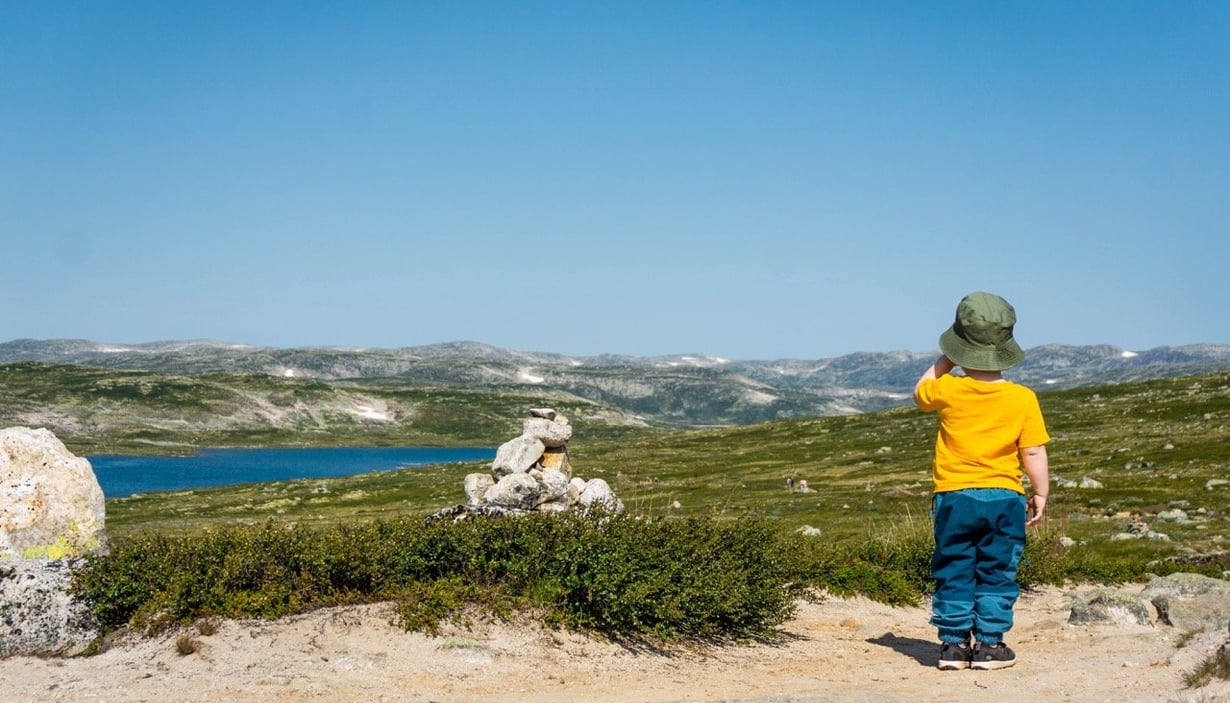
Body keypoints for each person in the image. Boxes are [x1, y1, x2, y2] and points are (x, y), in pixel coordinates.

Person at [913, 291, 1050, 671]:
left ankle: (953, 646)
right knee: (997, 568)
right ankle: (990, 645)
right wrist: (1040, 492)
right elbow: (1034, 452)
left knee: (954, 563)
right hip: (1005, 497)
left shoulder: (949, 390)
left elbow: (920, 393)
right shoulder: (1023, 398)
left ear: (960, 345)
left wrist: (947, 356)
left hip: (954, 497)